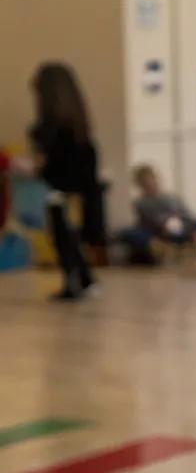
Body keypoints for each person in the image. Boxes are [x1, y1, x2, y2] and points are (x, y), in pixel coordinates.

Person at [27, 63, 103, 300]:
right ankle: (85, 279)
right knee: (72, 238)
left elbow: (49, 165)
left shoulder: (50, 130)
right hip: (81, 193)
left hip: (59, 191)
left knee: (63, 238)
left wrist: (35, 168)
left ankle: (74, 281)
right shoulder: (80, 126)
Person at [118, 165, 196, 264]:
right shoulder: (140, 202)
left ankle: (183, 252)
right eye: (145, 183)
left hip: (176, 227)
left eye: (151, 181)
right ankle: (161, 248)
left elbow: (187, 214)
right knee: (126, 233)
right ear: (140, 186)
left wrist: (174, 221)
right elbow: (147, 221)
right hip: (154, 232)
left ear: (156, 179)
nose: (150, 185)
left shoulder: (172, 197)